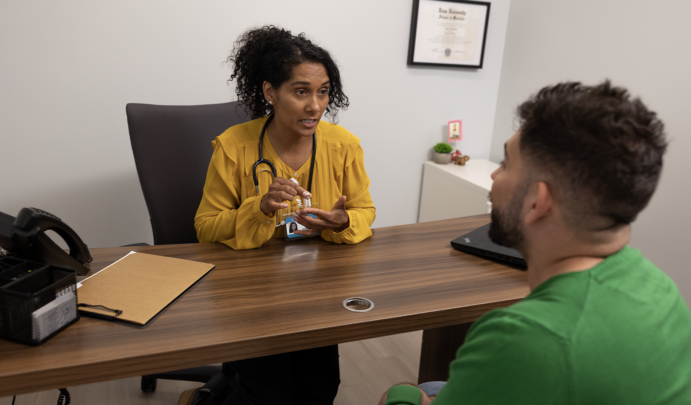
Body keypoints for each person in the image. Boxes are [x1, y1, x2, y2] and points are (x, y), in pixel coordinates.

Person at [379, 81, 691, 405]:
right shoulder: (662, 288)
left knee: (410, 392)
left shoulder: (525, 337)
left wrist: (401, 394)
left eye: (506, 164)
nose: (493, 176)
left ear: (537, 202)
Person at [194, 26, 375, 405]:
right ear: (270, 92)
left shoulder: (344, 146)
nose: (315, 106)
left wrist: (343, 222)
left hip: (316, 290)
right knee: (271, 396)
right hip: (250, 293)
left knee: (320, 390)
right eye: (301, 92)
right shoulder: (233, 146)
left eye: (323, 91)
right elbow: (206, 228)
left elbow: (363, 211)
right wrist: (258, 207)